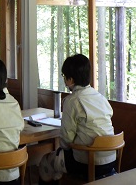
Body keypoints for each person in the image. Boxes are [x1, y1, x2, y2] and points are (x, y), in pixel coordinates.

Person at [38, 54, 115, 184]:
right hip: (110, 160)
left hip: (87, 162)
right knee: (59, 158)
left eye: (64, 76)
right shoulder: (99, 97)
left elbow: (66, 138)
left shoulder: (72, 100)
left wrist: (63, 149)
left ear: (70, 79)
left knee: (46, 161)